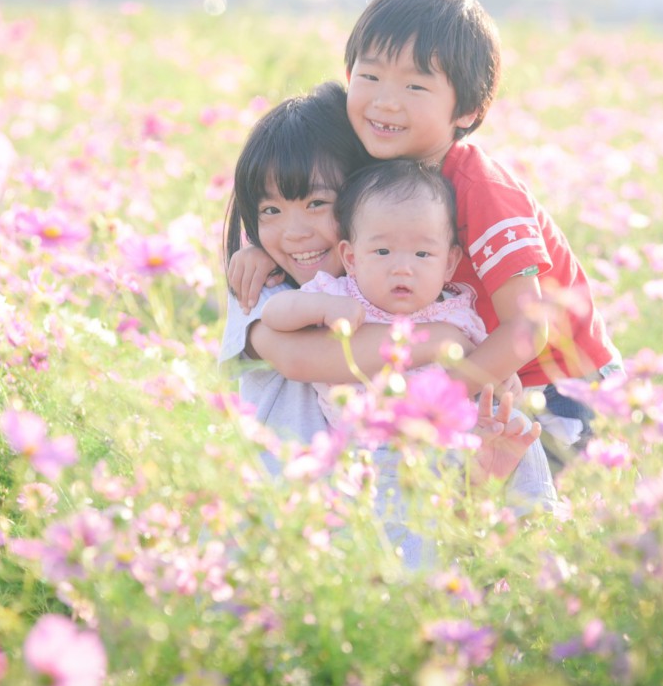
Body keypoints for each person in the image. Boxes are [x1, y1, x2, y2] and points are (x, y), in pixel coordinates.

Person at [233, 0, 622, 464]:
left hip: (558, 382)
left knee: (535, 513)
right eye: (369, 76)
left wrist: (437, 399)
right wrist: (259, 247)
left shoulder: (482, 190)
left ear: (468, 111)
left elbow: (527, 331)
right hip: (475, 368)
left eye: (415, 86)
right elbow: (306, 205)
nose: (385, 102)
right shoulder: (377, 161)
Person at [218, 83, 557, 566]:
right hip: (281, 505)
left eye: (317, 204)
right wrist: (437, 341)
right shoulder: (260, 282)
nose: (293, 232)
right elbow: (297, 355)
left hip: (373, 493)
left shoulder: (414, 290)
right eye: (270, 211)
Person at [264, 158, 542, 459]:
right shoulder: (339, 293)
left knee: (515, 428)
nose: (403, 268)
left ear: (449, 263)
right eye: (382, 251)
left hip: (432, 444)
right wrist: (322, 307)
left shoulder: (456, 314)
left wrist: (502, 378)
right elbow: (273, 313)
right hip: (361, 446)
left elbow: (484, 364)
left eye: (422, 254)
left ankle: (524, 496)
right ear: (351, 258)